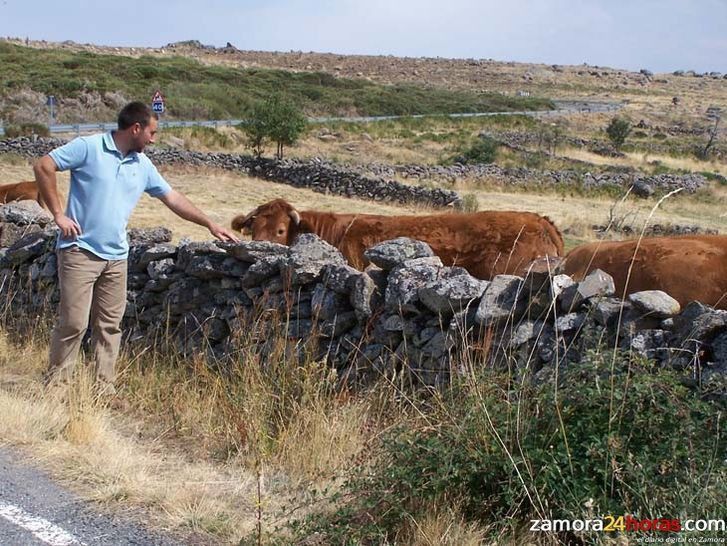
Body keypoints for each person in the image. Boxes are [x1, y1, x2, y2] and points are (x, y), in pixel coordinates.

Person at [34, 101, 239, 396]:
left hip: (117, 258)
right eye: (152, 133)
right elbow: (43, 165)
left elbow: (173, 197)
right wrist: (58, 215)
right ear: (136, 128)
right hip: (79, 252)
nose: (153, 140)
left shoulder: (142, 165)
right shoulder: (89, 147)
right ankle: (56, 387)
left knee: (109, 326)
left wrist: (209, 223)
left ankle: (104, 390)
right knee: (74, 323)